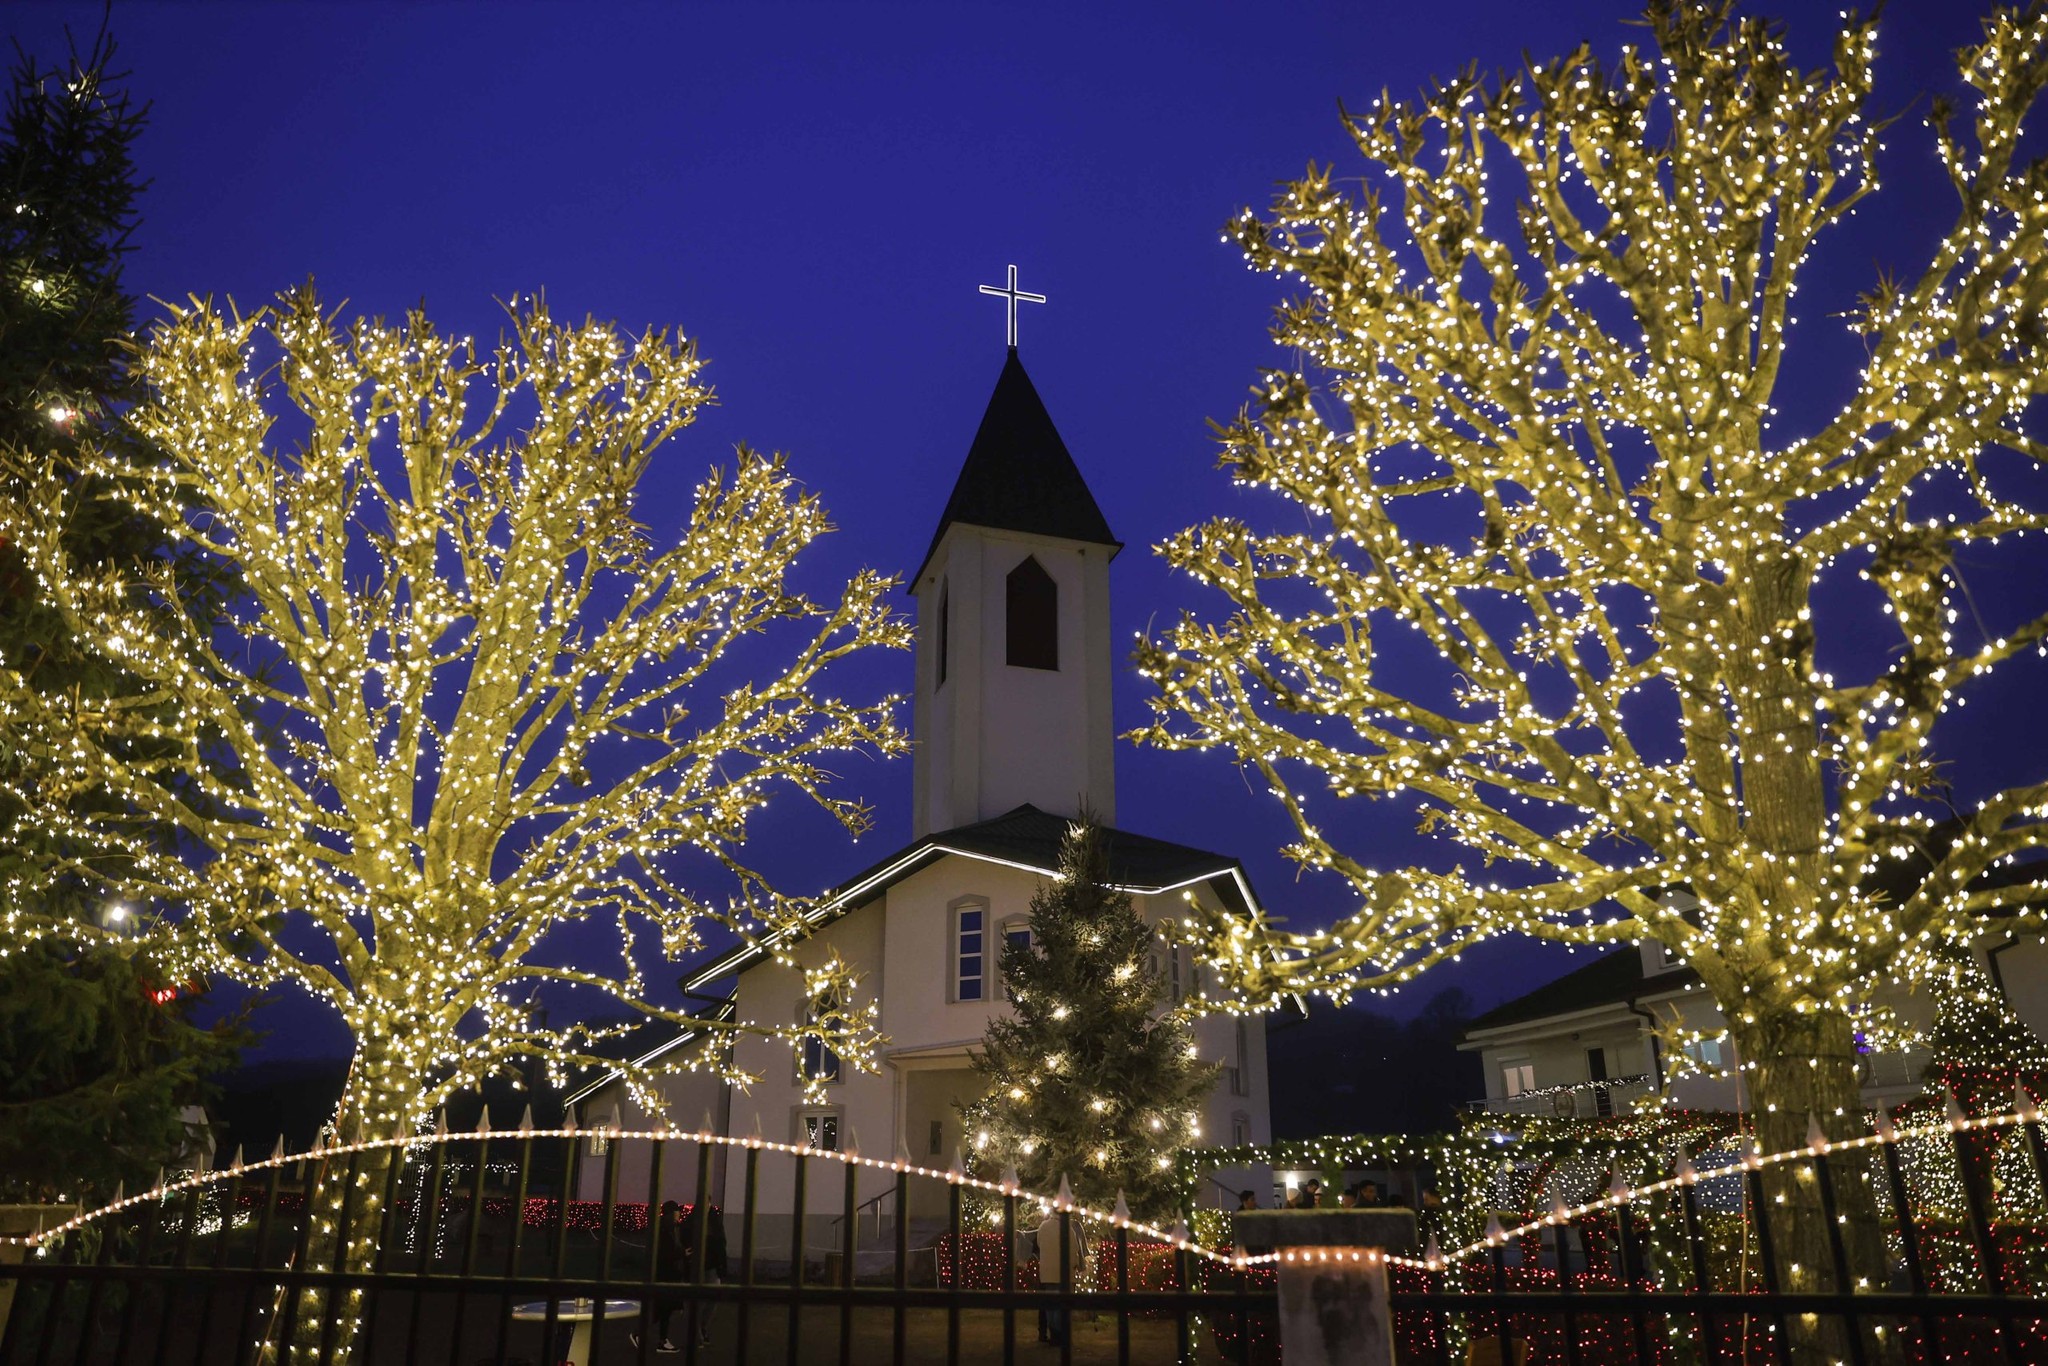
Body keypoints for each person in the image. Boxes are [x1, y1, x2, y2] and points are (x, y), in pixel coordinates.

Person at [633, 1201, 686, 1354]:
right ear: (671, 1214)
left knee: (663, 1310)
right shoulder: (665, 1230)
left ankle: (657, 1338)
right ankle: (655, 1338)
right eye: (677, 1212)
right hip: (665, 1276)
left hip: (668, 1275)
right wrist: (681, 1253)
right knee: (664, 1309)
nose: (679, 1215)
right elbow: (664, 1254)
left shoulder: (669, 1229)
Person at [1036, 1205, 1089, 1348]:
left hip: (1047, 1273)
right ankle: (1059, 1336)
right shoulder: (1068, 1228)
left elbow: (1039, 1243)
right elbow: (1074, 1250)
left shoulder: (1043, 1226)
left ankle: (1053, 1334)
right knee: (1061, 1306)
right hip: (1064, 1273)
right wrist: (1076, 1267)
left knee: (1050, 1306)